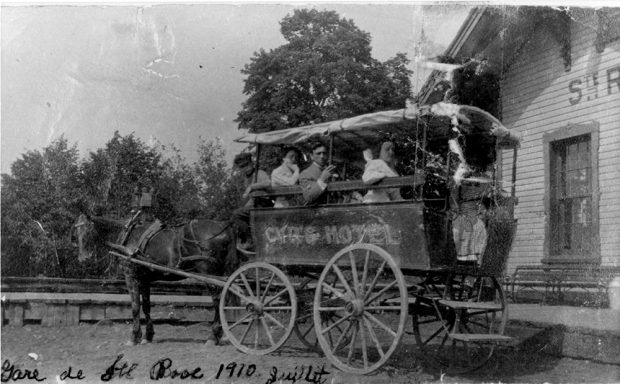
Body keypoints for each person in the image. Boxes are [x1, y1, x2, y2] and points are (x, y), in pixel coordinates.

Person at [232, 152, 271, 250]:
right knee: (238, 214)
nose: (246, 168)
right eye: (242, 167)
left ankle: (250, 241)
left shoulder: (259, 173)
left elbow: (268, 183)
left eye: (247, 165)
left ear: (251, 163)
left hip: (264, 204)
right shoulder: (247, 178)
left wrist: (251, 186)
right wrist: (245, 207)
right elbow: (252, 198)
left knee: (237, 214)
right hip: (256, 204)